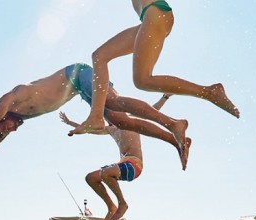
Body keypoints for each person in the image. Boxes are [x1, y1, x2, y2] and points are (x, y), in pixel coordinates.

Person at [0, 63, 190, 174]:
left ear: (1, 120)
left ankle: (174, 124)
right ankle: (175, 139)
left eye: (6, 128)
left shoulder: (11, 99)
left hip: (78, 74)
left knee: (115, 105)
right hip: (80, 89)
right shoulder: (19, 116)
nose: (12, 130)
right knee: (120, 120)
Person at [69, 0, 238, 136]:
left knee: (142, 80)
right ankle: (96, 116)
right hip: (151, 17)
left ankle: (209, 92)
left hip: (155, 13)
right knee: (100, 56)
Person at [59, 93, 183, 220]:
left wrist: (165, 97)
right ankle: (111, 206)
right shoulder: (109, 129)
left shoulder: (131, 120)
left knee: (106, 173)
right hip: (122, 164)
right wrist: (70, 123)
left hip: (135, 164)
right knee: (91, 178)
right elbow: (89, 129)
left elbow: (153, 110)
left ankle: (122, 204)